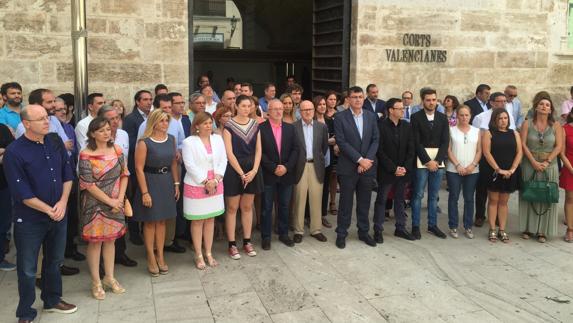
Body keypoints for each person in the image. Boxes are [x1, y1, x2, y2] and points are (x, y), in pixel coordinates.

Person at [4, 105, 77, 322]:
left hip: (58, 213)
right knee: (27, 269)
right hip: (30, 220)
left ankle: (52, 299)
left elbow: (67, 174)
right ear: (27, 124)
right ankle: (25, 312)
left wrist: (62, 203)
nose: (48, 121)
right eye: (41, 119)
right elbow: (21, 193)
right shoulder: (14, 152)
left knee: (54, 261)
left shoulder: (55, 142)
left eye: (47, 117)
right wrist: (49, 209)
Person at [78, 117, 128, 300]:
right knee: (95, 242)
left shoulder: (117, 149)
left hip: (116, 201)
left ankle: (109, 277)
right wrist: (110, 201)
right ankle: (96, 282)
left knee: (111, 241)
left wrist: (120, 199)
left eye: (108, 129)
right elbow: (88, 184)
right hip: (94, 204)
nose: (107, 133)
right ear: (92, 134)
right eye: (101, 130)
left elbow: (125, 174)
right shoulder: (85, 154)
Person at [132, 109, 180, 276]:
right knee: (150, 222)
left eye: (167, 121)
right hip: (150, 182)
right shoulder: (144, 142)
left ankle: (160, 255)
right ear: (153, 122)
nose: (165, 124)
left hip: (166, 181)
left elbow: (174, 163)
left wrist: (176, 183)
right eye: (161, 121)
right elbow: (138, 168)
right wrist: (145, 192)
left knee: (162, 222)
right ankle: (151, 256)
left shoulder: (172, 139)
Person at [334, 86, 379, 248]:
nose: (358, 100)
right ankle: (341, 233)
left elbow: (375, 140)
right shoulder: (340, 117)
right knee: (345, 202)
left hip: (367, 167)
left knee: (365, 202)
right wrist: (360, 160)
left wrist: (366, 161)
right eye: (354, 97)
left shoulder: (370, 116)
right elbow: (341, 142)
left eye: (360, 97)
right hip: (348, 167)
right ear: (348, 99)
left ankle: (363, 232)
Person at [182, 112, 227, 269]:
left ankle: (208, 252)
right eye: (205, 123)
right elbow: (189, 165)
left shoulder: (218, 139)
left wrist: (216, 179)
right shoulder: (189, 142)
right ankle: (198, 254)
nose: (209, 126)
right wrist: (205, 181)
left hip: (215, 183)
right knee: (197, 221)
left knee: (210, 219)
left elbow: (223, 159)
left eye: (210, 122)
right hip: (197, 184)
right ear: (197, 126)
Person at [222, 95, 263, 259]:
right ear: (237, 106)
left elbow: (259, 150)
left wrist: (253, 171)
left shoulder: (255, 125)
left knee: (247, 207)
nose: (247, 109)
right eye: (244, 106)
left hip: (252, 169)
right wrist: (241, 173)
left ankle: (247, 241)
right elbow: (229, 152)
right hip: (234, 170)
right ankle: (232, 244)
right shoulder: (229, 126)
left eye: (250, 106)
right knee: (232, 208)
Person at [97, 106, 137, 267]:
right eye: (110, 118)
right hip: (102, 186)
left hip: (122, 182)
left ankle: (120, 253)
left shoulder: (123, 135)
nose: (114, 121)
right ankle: (100, 262)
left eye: (117, 118)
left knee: (121, 219)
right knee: (102, 223)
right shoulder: (94, 140)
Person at [519, 95, 562, 243]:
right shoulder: (527, 124)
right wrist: (533, 162)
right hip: (529, 163)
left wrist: (547, 161)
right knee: (529, 192)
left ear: (550, 110)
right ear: (536, 107)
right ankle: (527, 228)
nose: (544, 106)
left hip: (549, 165)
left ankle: (542, 230)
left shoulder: (556, 126)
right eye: (542, 104)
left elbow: (559, 146)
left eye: (547, 105)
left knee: (546, 195)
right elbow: (523, 144)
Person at [373, 98, 416, 242]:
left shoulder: (407, 126)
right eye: (399, 108)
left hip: (403, 171)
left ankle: (400, 228)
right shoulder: (381, 126)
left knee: (400, 200)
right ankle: (378, 230)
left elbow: (411, 148)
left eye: (402, 108)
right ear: (391, 110)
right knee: (382, 200)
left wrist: (405, 167)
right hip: (387, 171)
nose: (402, 110)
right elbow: (380, 150)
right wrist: (393, 168)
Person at [410, 88, 449, 240]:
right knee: (418, 194)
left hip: (438, 162)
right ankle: (415, 226)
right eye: (428, 100)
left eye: (434, 100)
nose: (431, 102)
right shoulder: (416, 117)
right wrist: (427, 161)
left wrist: (437, 161)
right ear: (422, 101)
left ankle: (432, 225)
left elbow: (445, 141)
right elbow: (416, 141)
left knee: (434, 196)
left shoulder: (442, 117)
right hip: (422, 162)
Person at [260, 99, 299, 249]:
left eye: (280, 109)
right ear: (268, 111)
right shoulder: (261, 128)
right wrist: (273, 167)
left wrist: (286, 167)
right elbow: (260, 152)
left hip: (286, 174)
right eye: (274, 109)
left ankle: (283, 234)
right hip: (269, 174)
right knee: (266, 207)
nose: (278, 111)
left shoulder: (291, 128)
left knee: (284, 206)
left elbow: (296, 149)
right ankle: (266, 236)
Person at [482, 109, 522, 242]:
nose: (503, 121)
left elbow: (519, 152)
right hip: (494, 171)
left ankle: (502, 229)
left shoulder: (514, 133)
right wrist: (498, 170)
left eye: (505, 118)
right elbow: (487, 153)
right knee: (493, 200)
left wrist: (512, 169)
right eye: (500, 118)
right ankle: (492, 228)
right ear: (495, 120)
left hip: (510, 172)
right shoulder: (489, 133)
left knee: (504, 202)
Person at [292, 100, 329, 243]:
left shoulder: (322, 127)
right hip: (300, 167)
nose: (307, 112)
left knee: (316, 198)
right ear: (299, 112)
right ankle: (298, 230)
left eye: (310, 109)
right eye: (304, 110)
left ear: (314, 110)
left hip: (316, 166)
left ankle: (316, 230)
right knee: (299, 199)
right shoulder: (293, 127)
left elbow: (324, 148)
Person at [54, 98, 85, 261]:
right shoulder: (50, 129)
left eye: (64, 109)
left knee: (73, 215)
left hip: (70, 176)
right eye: (58, 109)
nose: (62, 112)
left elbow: (75, 152)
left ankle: (70, 249)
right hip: (56, 179)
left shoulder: (68, 127)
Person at [446, 105, 481, 239]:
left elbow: (479, 151)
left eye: (466, 115)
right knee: (453, 197)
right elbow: (448, 150)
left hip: (472, 170)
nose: (464, 117)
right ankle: (453, 226)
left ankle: (468, 226)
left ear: (470, 116)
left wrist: (472, 165)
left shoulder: (476, 131)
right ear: (457, 116)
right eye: (461, 115)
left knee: (469, 198)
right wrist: (458, 165)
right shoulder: (451, 130)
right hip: (454, 170)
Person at [122, 89, 152, 246]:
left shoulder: (152, 117)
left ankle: (143, 228)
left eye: (150, 99)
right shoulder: (130, 119)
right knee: (135, 198)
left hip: (150, 165)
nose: (149, 102)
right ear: (137, 102)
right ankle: (134, 232)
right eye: (145, 99)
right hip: (135, 165)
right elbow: (132, 143)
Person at [314, 95, 335, 228]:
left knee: (325, 187)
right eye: (320, 104)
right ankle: (309, 215)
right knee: (313, 187)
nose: (322, 106)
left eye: (324, 104)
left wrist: (333, 141)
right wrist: (327, 141)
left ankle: (322, 215)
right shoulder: (312, 120)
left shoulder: (329, 121)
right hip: (314, 158)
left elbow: (335, 136)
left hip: (327, 157)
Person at [0, 123, 16, 271]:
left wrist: (4, 152)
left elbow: (13, 149)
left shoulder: (2, 129)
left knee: (3, 223)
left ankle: (0, 258)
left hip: (3, 185)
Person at [560, 108, 573, 242]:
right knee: (570, 198)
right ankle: (570, 229)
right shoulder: (565, 129)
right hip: (570, 167)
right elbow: (562, 153)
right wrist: (571, 169)